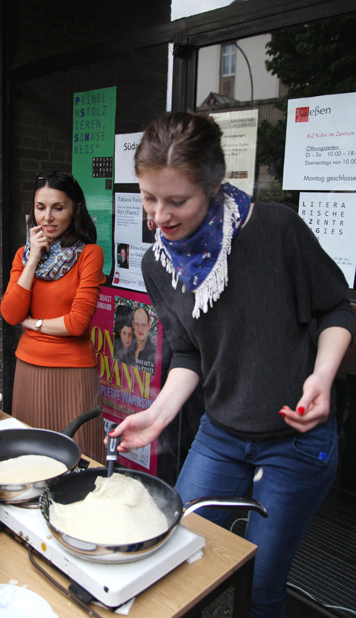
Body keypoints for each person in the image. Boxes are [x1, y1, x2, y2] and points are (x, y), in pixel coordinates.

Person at [107, 113, 354, 618]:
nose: (158, 217)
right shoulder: (160, 263)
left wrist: (322, 375)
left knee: (260, 586)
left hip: (296, 439)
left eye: (177, 201)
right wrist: (159, 414)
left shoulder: (274, 229)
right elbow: (190, 350)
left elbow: (337, 306)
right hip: (221, 434)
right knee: (175, 561)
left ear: (216, 186)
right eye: (150, 198)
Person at [0, 171, 106, 463]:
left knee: (79, 461)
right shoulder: (24, 255)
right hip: (29, 371)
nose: (47, 217)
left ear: (75, 210)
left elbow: (76, 324)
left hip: (73, 372)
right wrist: (33, 259)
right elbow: (10, 314)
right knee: (29, 459)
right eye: (40, 207)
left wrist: (34, 324)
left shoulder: (89, 255)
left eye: (58, 207)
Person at [132, 306, 156, 373]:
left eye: (143, 325)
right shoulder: (126, 347)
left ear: (149, 326)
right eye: (137, 324)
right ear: (133, 324)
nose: (140, 329)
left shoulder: (155, 354)